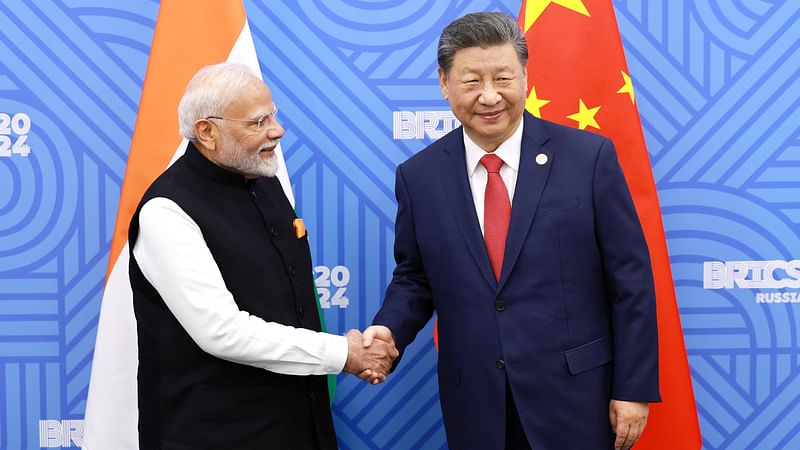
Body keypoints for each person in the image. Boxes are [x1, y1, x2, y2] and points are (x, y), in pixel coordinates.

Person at [363, 12, 660, 450]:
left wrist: (632, 387)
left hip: (577, 398)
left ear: (525, 77)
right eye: (471, 82)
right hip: (476, 402)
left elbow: (630, 280)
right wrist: (390, 329)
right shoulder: (419, 176)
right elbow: (416, 275)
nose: (489, 96)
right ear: (444, 84)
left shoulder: (587, 158)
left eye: (503, 78)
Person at [129, 62, 396, 450]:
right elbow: (222, 332)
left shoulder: (263, 179)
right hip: (213, 435)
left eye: (273, 115)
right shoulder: (167, 210)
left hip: (301, 427)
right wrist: (345, 353)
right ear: (207, 132)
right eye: (257, 122)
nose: (277, 130)